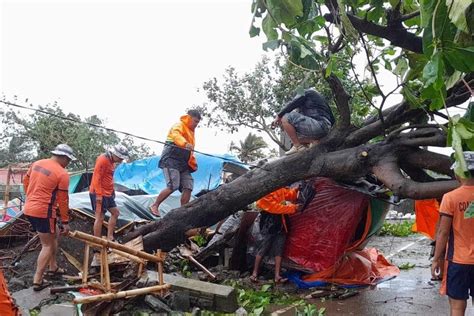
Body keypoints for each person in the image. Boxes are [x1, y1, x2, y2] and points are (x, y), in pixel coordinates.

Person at [23, 144, 75, 291]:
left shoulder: (37, 164)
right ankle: (38, 280)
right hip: (44, 212)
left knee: (55, 235)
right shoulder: (62, 174)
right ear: (64, 157)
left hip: (29, 208)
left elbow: (25, 182)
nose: (68, 163)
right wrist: (65, 221)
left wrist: (31, 197)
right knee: (47, 244)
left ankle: (53, 267)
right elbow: (63, 200)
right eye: (69, 160)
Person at [431, 151, 474, 316]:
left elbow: (442, 232)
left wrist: (436, 259)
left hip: (458, 261)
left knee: (457, 307)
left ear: (459, 171)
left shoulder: (450, 198)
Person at [150, 109, 201, 217]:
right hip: (171, 159)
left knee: (188, 185)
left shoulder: (191, 133)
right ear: (189, 118)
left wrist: (192, 163)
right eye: (195, 121)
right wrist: (184, 143)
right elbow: (176, 136)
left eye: (198, 122)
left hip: (183, 164)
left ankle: (183, 211)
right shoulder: (179, 126)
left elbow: (190, 152)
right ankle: (155, 205)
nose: (196, 124)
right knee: (173, 185)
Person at [250, 187, 302, 284]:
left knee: (279, 250)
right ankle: (254, 273)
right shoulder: (265, 192)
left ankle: (277, 276)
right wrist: (293, 208)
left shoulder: (279, 189)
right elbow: (274, 208)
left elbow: (289, 195)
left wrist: (296, 190)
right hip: (269, 224)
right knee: (263, 248)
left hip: (281, 224)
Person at [272, 88, 335, 155]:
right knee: (293, 135)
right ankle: (314, 141)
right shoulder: (318, 101)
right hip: (326, 128)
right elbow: (332, 119)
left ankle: (298, 147)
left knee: (286, 117)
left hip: (318, 125)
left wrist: (279, 116)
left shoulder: (306, 92)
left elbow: (293, 103)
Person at [89, 144, 129, 241]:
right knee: (100, 217)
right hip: (98, 193)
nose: (121, 160)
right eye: (120, 158)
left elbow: (108, 177)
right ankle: (97, 241)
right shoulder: (102, 159)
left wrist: (112, 190)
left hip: (107, 193)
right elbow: (97, 178)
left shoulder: (112, 162)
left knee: (115, 213)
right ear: (115, 154)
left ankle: (110, 236)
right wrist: (98, 195)